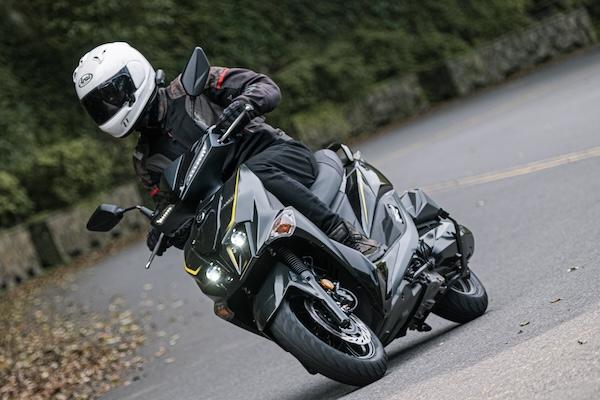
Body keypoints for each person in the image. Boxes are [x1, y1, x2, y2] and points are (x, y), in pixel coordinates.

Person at [73, 42, 384, 261]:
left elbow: (264, 86)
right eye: (100, 105)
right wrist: (166, 229)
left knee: (252, 175)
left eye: (111, 95)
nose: (109, 107)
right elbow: (171, 205)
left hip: (279, 157)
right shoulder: (145, 161)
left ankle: (346, 236)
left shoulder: (193, 87)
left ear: (134, 76)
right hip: (240, 213)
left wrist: (245, 104)